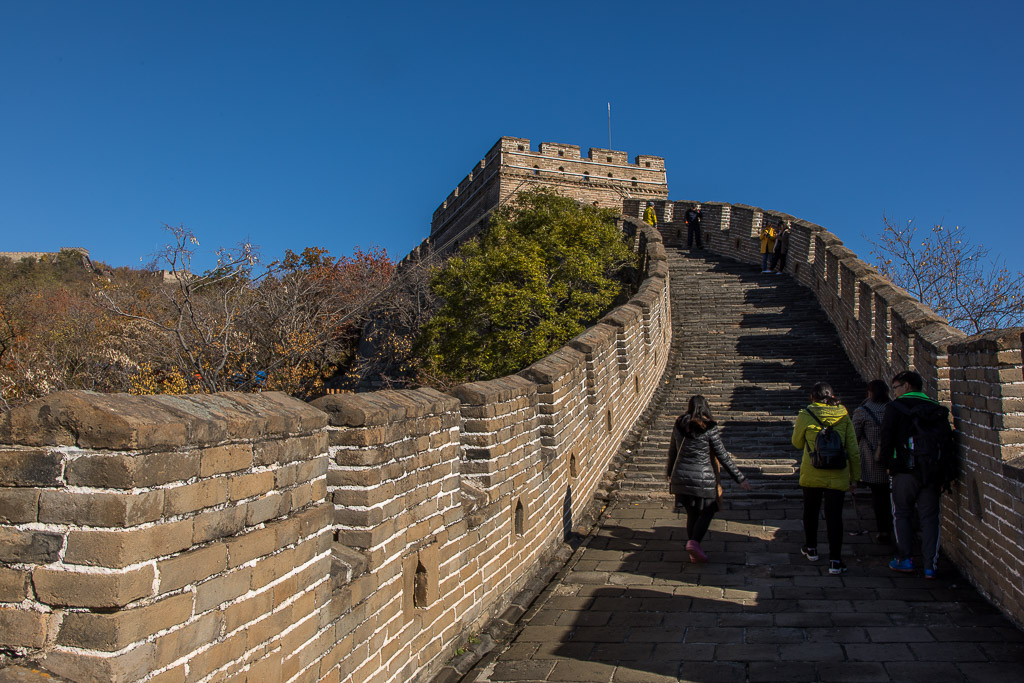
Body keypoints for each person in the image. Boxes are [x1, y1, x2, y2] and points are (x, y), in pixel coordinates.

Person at [879, 370, 956, 579]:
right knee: (931, 518)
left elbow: (886, 439)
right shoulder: (936, 409)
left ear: (906, 386)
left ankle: (905, 559)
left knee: (902, 513)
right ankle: (930, 565)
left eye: (895, 388)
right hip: (931, 472)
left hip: (904, 471)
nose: (893, 392)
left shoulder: (894, 408)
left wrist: (885, 464)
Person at [666, 395, 751, 563]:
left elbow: (672, 451)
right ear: (705, 408)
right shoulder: (710, 428)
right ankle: (694, 543)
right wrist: (740, 478)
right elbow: (723, 456)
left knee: (692, 513)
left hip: (681, 477)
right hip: (702, 479)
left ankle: (693, 552)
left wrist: (670, 473)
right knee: (709, 509)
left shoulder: (679, 425)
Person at [791, 382, 861, 575]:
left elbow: (796, 443)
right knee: (835, 517)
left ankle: (811, 548)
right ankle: (835, 560)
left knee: (811, 511)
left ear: (812, 397)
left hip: (812, 470)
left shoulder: (806, 414)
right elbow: (853, 450)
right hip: (838, 473)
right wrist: (855, 477)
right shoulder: (844, 415)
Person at [852, 380, 894, 544]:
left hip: (873, 460)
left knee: (879, 496)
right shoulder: (894, 409)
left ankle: (883, 530)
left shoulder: (863, 411)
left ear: (870, 393)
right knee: (893, 497)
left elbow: (854, 436)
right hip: (896, 459)